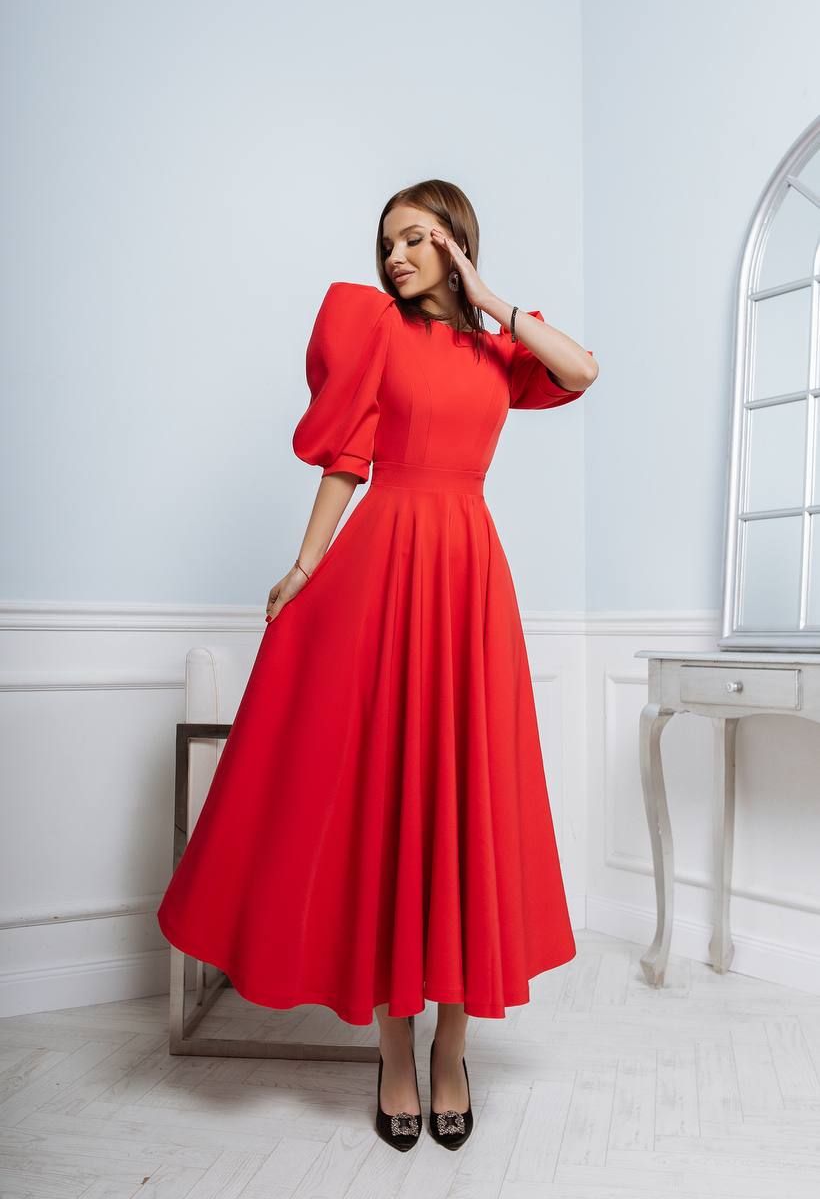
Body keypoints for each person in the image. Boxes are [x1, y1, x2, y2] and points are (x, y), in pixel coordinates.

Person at [156, 178, 598, 1151]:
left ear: (454, 245)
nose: (393, 254)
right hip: (384, 569)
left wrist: (492, 296)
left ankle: (452, 1050)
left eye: (414, 238)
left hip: (469, 581)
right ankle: (395, 1057)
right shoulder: (373, 333)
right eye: (386, 240)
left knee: (458, 805)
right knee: (390, 806)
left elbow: (585, 370)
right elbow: (345, 464)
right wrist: (305, 565)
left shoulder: (499, 349)